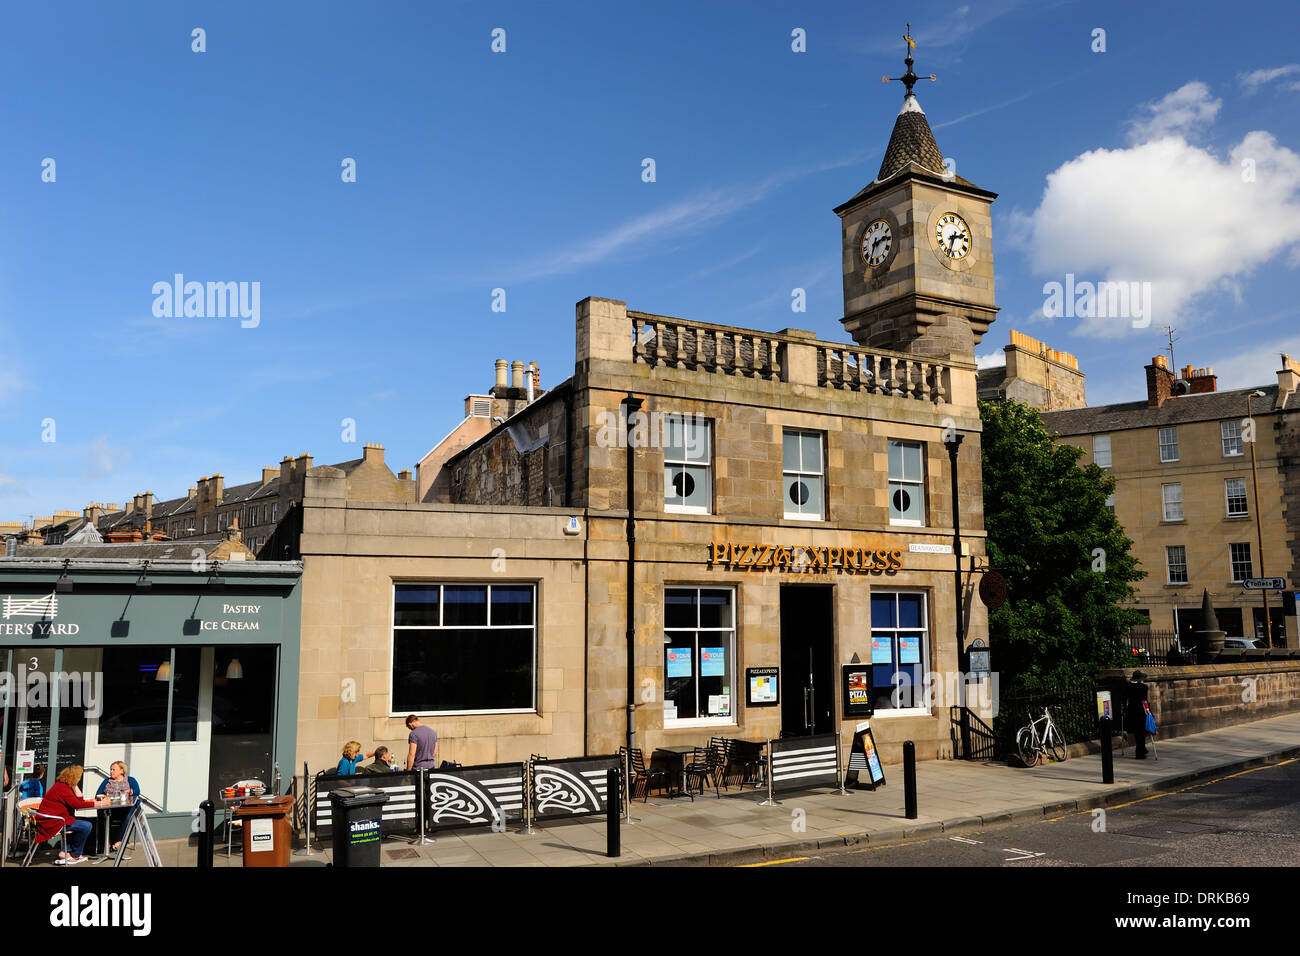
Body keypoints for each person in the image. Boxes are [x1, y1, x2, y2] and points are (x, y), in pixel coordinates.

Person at [35, 765, 107, 864]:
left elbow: (78, 801)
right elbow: (77, 805)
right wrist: (98, 803)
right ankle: (75, 854)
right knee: (86, 826)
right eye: (78, 777)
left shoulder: (62, 785)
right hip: (53, 822)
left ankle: (66, 852)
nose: (79, 779)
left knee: (88, 821)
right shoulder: (62, 788)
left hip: (57, 819)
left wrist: (74, 786)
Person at [94, 761, 141, 850]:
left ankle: (120, 840)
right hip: (112, 808)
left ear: (121, 771)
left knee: (129, 817)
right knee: (102, 814)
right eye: (110, 769)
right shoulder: (106, 781)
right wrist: (104, 797)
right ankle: (104, 843)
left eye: (114, 770)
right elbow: (98, 794)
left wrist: (130, 792)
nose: (111, 771)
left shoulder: (130, 780)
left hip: (127, 808)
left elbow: (137, 791)